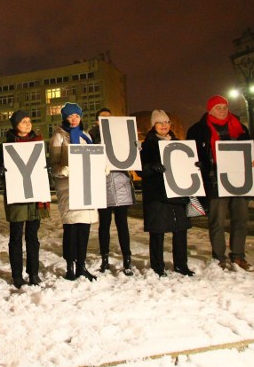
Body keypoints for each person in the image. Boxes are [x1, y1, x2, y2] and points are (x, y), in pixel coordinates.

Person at [187, 95, 254, 271]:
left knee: (240, 219)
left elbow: (249, 148)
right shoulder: (198, 129)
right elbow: (193, 155)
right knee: (217, 221)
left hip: (239, 178)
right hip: (215, 179)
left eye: (225, 107)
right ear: (209, 110)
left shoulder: (239, 127)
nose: (223, 110)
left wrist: (253, 160)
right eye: (218, 107)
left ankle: (238, 255)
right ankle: (219, 257)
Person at [0, 110, 50, 288]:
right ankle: (17, 275)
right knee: (16, 236)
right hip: (17, 196)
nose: (27, 124)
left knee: (33, 237)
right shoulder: (6, 146)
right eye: (23, 121)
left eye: (29, 121)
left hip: (35, 197)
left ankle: (33, 273)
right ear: (15, 125)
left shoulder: (38, 144)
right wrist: (1, 171)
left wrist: (45, 170)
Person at [139, 110, 193, 277]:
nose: (164, 125)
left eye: (166, 122)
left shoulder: (179, 144)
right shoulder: (146, 145)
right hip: (157, 194)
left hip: (177, 193)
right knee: (158, 231)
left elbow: (186, 166)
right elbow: (140, 169)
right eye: (159, 122)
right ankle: (158, 266)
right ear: (153, 125)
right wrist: (150, 167)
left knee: (180, 230)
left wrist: (195, 165)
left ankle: (181, 264)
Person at [50, 102, 98, 281]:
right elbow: (53, 164)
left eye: (76, 116)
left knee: (84, 227)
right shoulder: (59, 136)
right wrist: (61, 170)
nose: (74, 119)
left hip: (86, 186)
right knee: (71, 228)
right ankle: (70, 265)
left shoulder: (86, 136)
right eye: (70, 116)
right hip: (68, 188)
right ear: (64, 118)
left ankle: (81, 266)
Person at [89, 107, 135, 275]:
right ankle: (105, 259)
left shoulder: (122, 135)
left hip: (121, 183)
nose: (106, 121)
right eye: (103, 118)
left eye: (109, 117)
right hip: (103, 184)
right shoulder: (91, 137)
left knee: (123, 224)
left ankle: (127, 259)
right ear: (97, 122)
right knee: (104, 225)